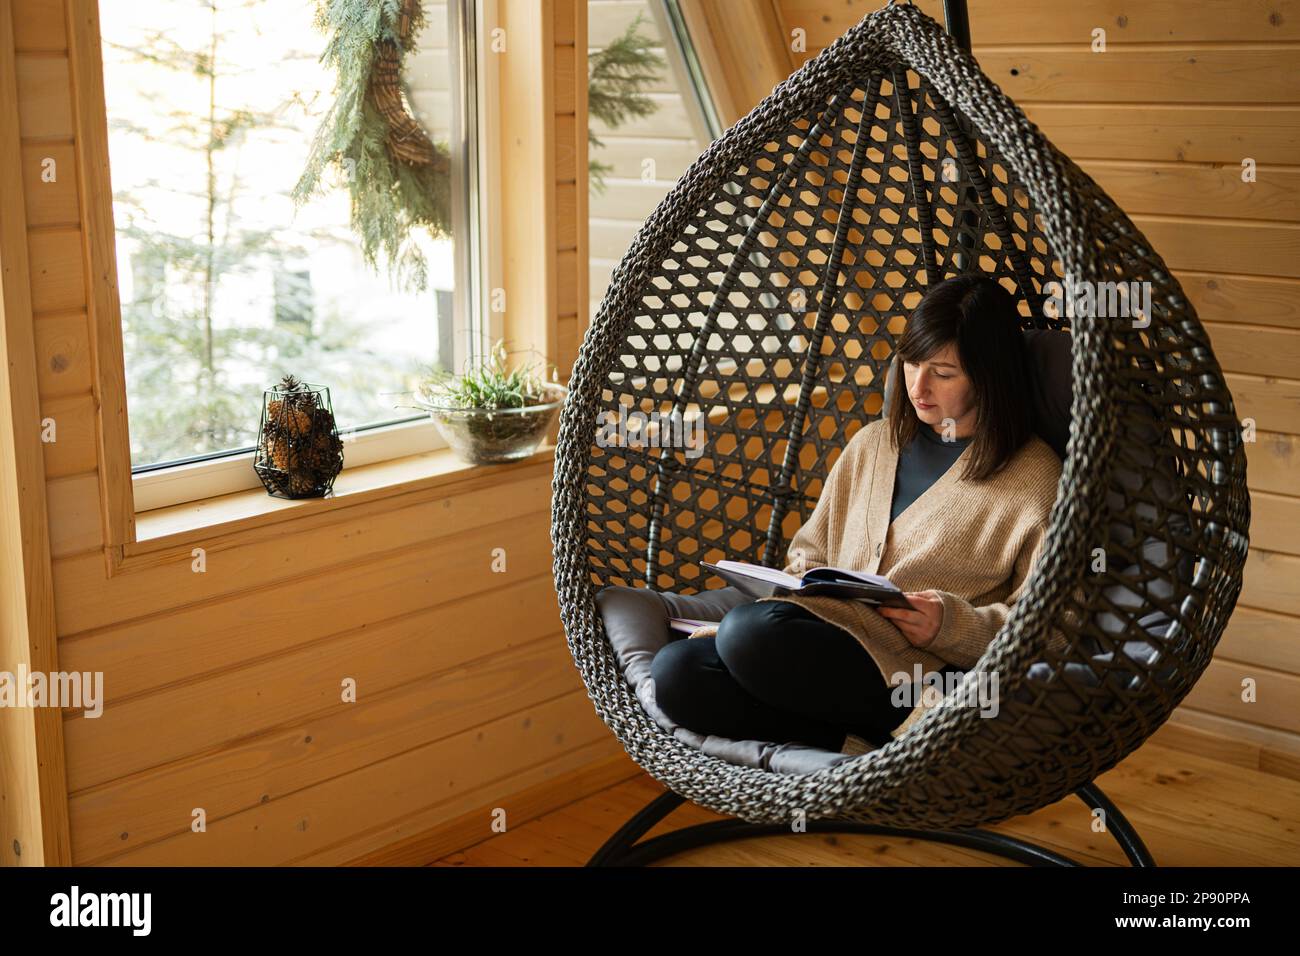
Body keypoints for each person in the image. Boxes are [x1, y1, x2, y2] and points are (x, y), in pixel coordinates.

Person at [649, 274, 1065, 752]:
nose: (918, 385)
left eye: (943, 372)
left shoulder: (1033, 478)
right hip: (819, 645)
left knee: (748, 634)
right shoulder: (873, 444)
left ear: (989, 374)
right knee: (676, 673)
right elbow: (809, 554)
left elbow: (1052, 630)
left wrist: (949, 625)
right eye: (910, 362)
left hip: (915, 673)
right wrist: (787, 585)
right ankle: (853, 746)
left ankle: (883, 731)